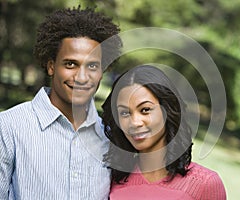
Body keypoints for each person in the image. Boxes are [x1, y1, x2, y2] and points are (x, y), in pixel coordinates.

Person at [0, 6, 121, 199]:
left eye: (92, 66)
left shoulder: (110, 137)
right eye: (71, 64)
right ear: (51, 66)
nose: (82, 77)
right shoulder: (8, 127)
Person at [101, 65, 227, 200]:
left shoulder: (205, 184)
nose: (135, 122)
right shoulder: (111, 179)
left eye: (145, 110)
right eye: (125, 113)